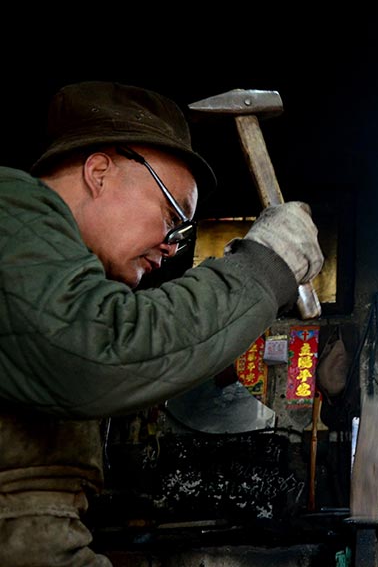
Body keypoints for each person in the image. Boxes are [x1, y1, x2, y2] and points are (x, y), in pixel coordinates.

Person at [0, 81, 324, 566]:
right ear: (99, 173)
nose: (173, 245)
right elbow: (103, 349)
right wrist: (263, 266)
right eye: (171, 213)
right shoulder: (10, 208)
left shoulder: (48, 273)